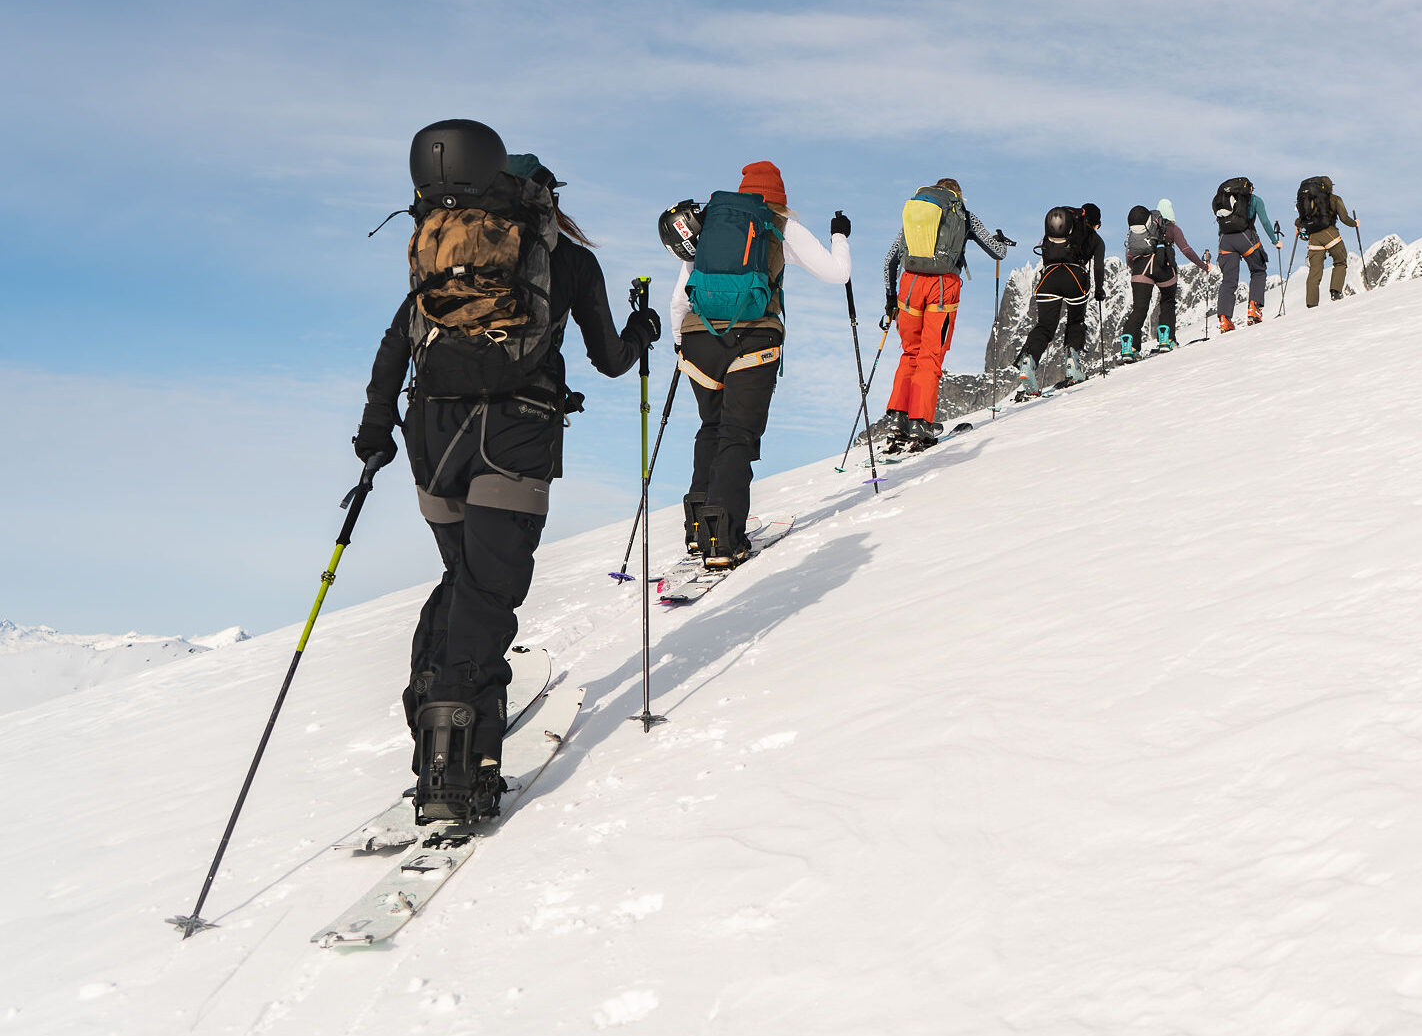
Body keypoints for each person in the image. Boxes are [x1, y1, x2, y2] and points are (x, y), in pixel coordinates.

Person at [354, 120, 663, 822]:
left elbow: (396, 340)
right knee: (489, 592)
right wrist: (643, 330)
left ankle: (435, 713)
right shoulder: (563, 260)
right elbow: (610, 359)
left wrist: (376, 432)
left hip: (431, 434)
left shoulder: (441, 252)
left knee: (463, 578)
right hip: (514, 436)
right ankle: (458, 758)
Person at [663, 161, 852, 569]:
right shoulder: (780, 226)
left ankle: (699, 531)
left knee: (710, 427)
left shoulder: (710, 224)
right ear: (779, 198)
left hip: (697, 340)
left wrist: (681, 344)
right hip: (753, 339)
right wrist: (840, 237)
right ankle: (725, 540)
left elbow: (679, 298)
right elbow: (839, 274)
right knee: (736, 435)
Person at [878, 178, 1010, 447]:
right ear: (958, 194)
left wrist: (890, 298)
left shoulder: (918, 211)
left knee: (910, 352)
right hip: (942, 287)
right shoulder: (963, 214)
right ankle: (920, 422)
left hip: (909, 285)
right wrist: (1000, 242)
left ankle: (897, 417)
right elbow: (998, 253)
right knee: (930, 355)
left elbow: (889, 259)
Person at [1014, 204, 1106, 393]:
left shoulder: (1060, 233)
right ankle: (1073, 366)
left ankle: (1028, 360)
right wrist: (1099, 290)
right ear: (1096, 223)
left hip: (1049, 277)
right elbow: (1098, 267)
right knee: (1076, 322)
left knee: (1045, 326)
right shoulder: (1096, 239)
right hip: (1075, 279)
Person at [1118, 198, 1208, 358]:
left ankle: (1129, 347)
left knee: (1139, 308)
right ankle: (1166, 340)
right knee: (1167, 301)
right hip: (1164, 266)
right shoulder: (1172, 228)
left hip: (1140, 268)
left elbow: (1129, 255)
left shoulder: (1141, 230)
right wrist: (1204, 266)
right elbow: (1186, 250)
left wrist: (1137, 270)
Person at [1211, 176, 1279, 331]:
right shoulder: (1254, 200)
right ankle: (1254, 310)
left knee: (1228, 281)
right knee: (1258, 270)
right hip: (1245, 237)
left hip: (1225, 241)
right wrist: (1275, 241)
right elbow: (1265, 222)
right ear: (1249, 188)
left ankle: (1224, 319)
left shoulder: (1225, 200)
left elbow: (1221, 225)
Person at [1295, 175, 1358, 306]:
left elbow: (1299, 220)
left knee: (1314, 271)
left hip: (1313, 239)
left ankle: (1311, 304)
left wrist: (1299, 226)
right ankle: (1335, 292)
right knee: (1340, 262)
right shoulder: (1334, 199)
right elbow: (1344, 218)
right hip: (1330, 234)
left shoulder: (1307, 201)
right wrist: (1355, 223)